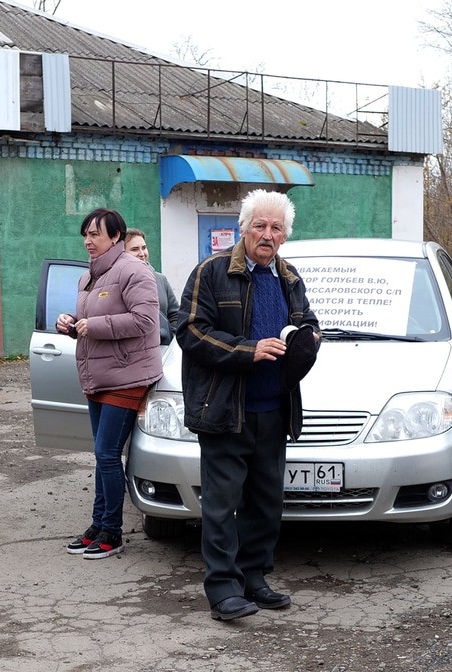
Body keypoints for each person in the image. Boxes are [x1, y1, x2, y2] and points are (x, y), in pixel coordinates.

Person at [176, 189, 320, 621]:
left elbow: (309, 323)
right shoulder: (212, 271)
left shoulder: (290, 278)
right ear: (243, 228)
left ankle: (255, 578)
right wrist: (247, 350)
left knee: (265, 502)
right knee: (221, 505)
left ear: (285, 236)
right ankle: (223, 589)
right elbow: (188, 329)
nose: (268, 235)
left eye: (276, 228)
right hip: (225, 409)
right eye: (260, 225)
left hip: (274, 409)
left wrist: (308, 341)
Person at [57, 208, 162, 559]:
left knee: (106, 454)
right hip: (98, 375)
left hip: (127, 375)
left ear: (116, 236)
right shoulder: (89, 276)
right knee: (103, 457)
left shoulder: (135, 271)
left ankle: (112, 532)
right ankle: (97, 525)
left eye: (95, 234)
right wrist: (72, 322)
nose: (88, 241)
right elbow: (91, 319)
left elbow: (145, 320)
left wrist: (94, 327)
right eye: (85, 234)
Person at [124, 227, 179, 345]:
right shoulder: (117, 282)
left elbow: (175, 314)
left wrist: (171, 339)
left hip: (162, 349)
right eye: (134, 249)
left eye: (144, 248)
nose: (142, 253)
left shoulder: (160, 279)